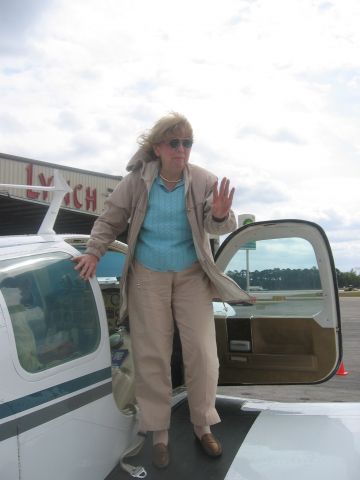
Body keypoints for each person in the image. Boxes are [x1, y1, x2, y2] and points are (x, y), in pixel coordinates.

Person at [73, 112, 250, 469]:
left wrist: (219, 214)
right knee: (152, 352)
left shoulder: (202, 179)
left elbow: (221, 223)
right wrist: (93, 251)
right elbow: (110, 218)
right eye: (174, 143)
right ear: (158, 148)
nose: (182, 149)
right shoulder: (137, 182)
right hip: (147, 275)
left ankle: (202, 424)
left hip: (190, 276)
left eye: (187, 143)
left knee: (201, 350)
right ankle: (159, 432)